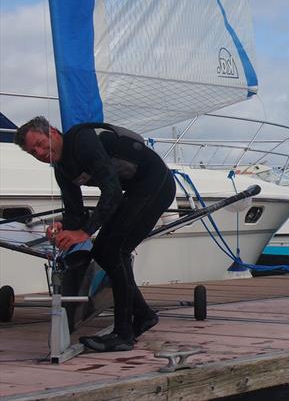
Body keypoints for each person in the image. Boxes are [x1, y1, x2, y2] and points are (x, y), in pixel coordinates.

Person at [14, 116, 176, 351]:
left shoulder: (82, 142)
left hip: (155, 183)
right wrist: (64, 227)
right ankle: (143, 316)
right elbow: (74, 211)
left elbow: (111, 191)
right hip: (133, 190)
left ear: (52, 132)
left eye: (39, 143)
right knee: (101, 253)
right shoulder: (61, 168)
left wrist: (84, 232)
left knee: (114, 252)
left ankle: (123, 334)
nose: (39, 152)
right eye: (32, 152)